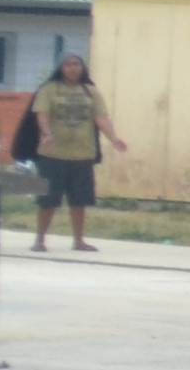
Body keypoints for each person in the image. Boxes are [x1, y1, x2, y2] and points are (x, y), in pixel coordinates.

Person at [20, 48, 128, 254]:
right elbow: (42, 114)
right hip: (53, 155)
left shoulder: (91, 91)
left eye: (77, 64)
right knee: (48, 200)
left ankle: (79, 240)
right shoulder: (49, 90)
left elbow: (101, 118)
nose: (73, 68)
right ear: (60, 67)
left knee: (79, 200)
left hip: (82, 155)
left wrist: (113, 138)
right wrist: (47, 133)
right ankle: (40, 240)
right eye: (68, 64)